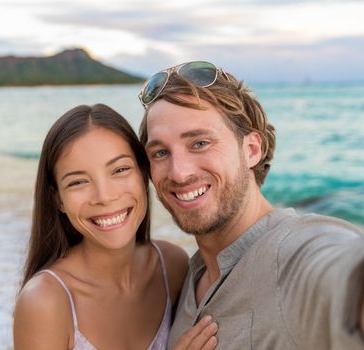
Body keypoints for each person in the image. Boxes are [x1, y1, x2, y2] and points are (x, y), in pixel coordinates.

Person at [137, 61, 364, 349]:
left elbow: (351, 277)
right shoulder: (190, 277)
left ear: (251, 149)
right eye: (161, 152)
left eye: (200, 143)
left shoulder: (294, 254)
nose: (179, 172)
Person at [13, 104, 219, 350]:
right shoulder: (44, 302)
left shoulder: (172, 266)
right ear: (58, 199)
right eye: (78, 182)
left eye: (120, 170)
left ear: (144, 174)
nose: (105, 196)